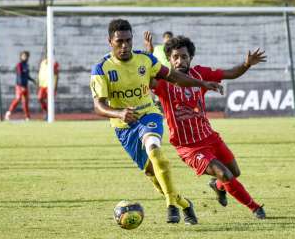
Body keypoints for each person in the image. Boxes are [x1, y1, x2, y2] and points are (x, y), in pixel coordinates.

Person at [90, 19, 221, 224]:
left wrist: (202, 83)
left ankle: (170, 206)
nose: (124, 46)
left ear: (132, 40)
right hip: (124, 127)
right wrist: (119, 113)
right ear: (110, 42)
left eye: (128, 41)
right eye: (119, 42)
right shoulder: (101, 69)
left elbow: (174, 77)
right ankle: (184, 204)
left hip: (149, 115)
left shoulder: (146, 60)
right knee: (155, 176)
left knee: (154, 148)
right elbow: (98, 106)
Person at [145, 34, 267, 219]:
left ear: (190, 58)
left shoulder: (200, 74)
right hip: (189, 147)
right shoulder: (164, 83)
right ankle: (255, 207)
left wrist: (246, 64)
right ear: (169, 59)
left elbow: (229, 73)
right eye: (175, 57)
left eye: (184, 57)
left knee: (234, 173)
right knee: (225, 174)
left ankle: (216, 185)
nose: (180, 61)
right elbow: (147, 75)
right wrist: (148, 52)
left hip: (210, 137)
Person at [5, 51, 35, 121]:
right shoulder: (19, 65)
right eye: (23, 56)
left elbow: (27, 76)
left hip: (25, 86)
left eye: (26, 56)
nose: (25, 57)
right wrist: (21, 86)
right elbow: (19, 76)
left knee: (25, 102)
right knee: (18, 99)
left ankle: (27, 117)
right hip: (20, 86)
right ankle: (8, 113)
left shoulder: (27, 65)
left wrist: (33, 80)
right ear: (21, 56)